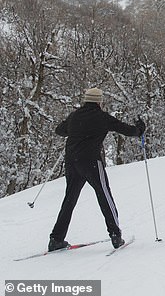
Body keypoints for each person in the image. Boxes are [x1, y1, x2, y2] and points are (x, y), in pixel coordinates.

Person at [48, 88, 145, 251]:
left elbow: (59, 130)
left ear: (85, 100)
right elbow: (128, 131)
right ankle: (115, 235)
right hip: (91, 161)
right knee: (103, 194)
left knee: (70, 199)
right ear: (100, 101)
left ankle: (56, 239)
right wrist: (140, 128)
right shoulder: (102, 118)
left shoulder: (75, 116)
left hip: (71, 161)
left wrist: (74, 130)